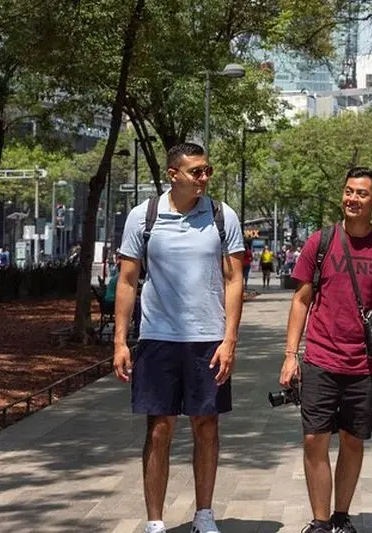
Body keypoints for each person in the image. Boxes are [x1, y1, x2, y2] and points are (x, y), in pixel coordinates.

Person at [112, 142, 246, 533]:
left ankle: (204, 514)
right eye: (196, 172)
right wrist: (121, 341)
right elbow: (126, 281)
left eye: (207, 171)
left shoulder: (222, 216)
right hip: (158, 338)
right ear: (173, 174)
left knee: (207, 425)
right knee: (160, 427)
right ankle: (155, 521)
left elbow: (234, 279)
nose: (204, 178)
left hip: (209, 339)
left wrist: (230, 339)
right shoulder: (144, 217)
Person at [279, 167, 372, 533]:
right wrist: (291, 355)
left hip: (367, 364)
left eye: (362, 194)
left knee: (353, 441)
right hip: (321, 358)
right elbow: (301, 299)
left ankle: (341, 515)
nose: (353, 199)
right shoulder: (320, 242)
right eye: (349, 192)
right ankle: (320, 522)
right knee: (313, 439)